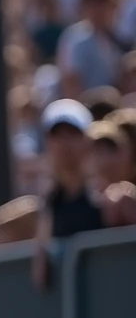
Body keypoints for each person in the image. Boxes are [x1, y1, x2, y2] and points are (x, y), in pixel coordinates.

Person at [40, 99, 107, 237]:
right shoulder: (47, 205)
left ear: (87, 139)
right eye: (57, 135)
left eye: (72, 133)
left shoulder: (106, 198)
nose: (64, 142)